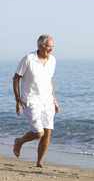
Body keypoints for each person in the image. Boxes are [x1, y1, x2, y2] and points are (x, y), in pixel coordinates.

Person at [12, 34, 60, 168]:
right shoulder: (28, 59)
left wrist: (54, 100)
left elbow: (48, 80)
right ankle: (19, 142)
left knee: (47, 132)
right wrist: (18, 100)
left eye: (52, 47)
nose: (51, 49)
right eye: (48, 46)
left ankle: (39, 161)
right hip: (31, 99)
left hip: (47, 100)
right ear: (40, 46)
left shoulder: (53, 60)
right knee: (39, 133)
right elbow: (16, 78)